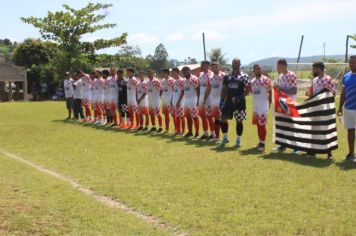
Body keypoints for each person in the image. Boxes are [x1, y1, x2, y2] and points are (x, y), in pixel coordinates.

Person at [306, 62, 336, 159]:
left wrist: (326, 93)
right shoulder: (314, 80)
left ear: (318, 69)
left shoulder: (327, 79)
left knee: (324, 130)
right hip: (314, 108)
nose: (312, 70)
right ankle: (312, 151)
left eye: (313, 68)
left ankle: (329, 154)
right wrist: (309, 94)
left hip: (324, 109)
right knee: (313, 129)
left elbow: (333, 93)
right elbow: (311, 93)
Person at [219, 58, 250, 148]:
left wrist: (239, 98)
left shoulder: (244, 76)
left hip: (239, 103)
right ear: (232, 64)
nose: (235, 64)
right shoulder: (227, 76)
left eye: (236, 63)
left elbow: (248, 90)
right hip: (228, 102)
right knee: (223, 119)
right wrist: (221, 101)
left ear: (240, 64)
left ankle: (238, 140)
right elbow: (224, 89)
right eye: (233, 63)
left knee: (239, 121)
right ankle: (225, 138)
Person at [273, 59, 300, 154]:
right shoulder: (280, 76)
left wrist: (279, 88)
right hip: (281, 103)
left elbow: (293, 91)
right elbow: (280, 91)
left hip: (290, 103)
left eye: (278, 66)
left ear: (283, 65)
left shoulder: (291, 75)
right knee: (282, 124)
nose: (277, 68)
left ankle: (297, 147)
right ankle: (282, 145)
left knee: (292, 125)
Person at [337, 55, 356, 162]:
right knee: (350, 131)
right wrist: (340, 107)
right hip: (348, 109)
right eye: (351, 62)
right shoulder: (346, 76)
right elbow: (343, 93)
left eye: (354, 62)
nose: (352, 64)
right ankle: (351, 154)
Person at [249, 64, 272, 151]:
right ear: (253, 71)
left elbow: (270, 91)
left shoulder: (266, 79)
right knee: (258, 125)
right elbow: (251, 92)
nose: (258, 70)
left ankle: (263, 144)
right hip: (255, 106)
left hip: (263, 106)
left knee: (262, 125)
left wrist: (269, 102)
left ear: (261, 70)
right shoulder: (252, 81)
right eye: (256, 69)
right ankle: (260, 142)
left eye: (259, 69)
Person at [204, 62, 225, 142]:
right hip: (214, 100)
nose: (215, 68)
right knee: (216, 118)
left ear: (219, 67)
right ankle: (217, 137)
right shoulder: (210, 77)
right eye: (213, 67)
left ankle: (225, 136)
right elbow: (209, 88)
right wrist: (205, 98)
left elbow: (226, 88)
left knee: (223, 118)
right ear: (211, 68)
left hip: (221, 99)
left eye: (216, 67)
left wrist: (225, 99)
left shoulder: (223, 75)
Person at [182, 66, 200, 138]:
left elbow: (198, 89)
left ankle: (197, 133)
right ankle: (190, 132)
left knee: (195, 117)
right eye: (183, 72)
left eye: (186, 71)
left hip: (193, 100)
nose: (185, 73)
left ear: (189, 71)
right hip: (186, 100)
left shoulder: (194, 78)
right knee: (187, 117)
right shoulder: (184, 80)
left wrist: (198, 100)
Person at [198, 60, 213, 140]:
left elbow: (209, 88)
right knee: (202, 115)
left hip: (209, 98)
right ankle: (205, 133)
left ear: (207, 65)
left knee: (209, 116)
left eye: (202, 65)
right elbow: (200, 86)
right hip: (201, 98)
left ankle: (213, 134)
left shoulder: (211, 74)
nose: (201, 66)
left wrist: (205, 98)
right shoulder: (200, 74)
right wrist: (199, 98)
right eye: (201, 64)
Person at [171, 67, 186, 136]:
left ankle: (183, 131)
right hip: (174, 101)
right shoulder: (174, 81)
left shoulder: (181, 80)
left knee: (181, 116)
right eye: (172, 72)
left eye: (174, 72)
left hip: (180, 101)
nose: (173, 73)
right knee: (176, 116)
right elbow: (173, 92)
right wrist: (171, 100)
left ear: (178, 72)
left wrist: (179, 101)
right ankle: (178, 130)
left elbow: (183, 92)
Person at [161, 68, 175, 133]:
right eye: (163, 73)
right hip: (164, 100)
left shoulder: (172, 80)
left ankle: (177, 128)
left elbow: (174, 90)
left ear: (167, 73)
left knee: (173, 115)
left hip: (170, 100)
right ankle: (167, 129)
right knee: (166, 115)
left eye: (164, 72)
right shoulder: (162, 80)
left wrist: (172, 99)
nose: (163, 74)